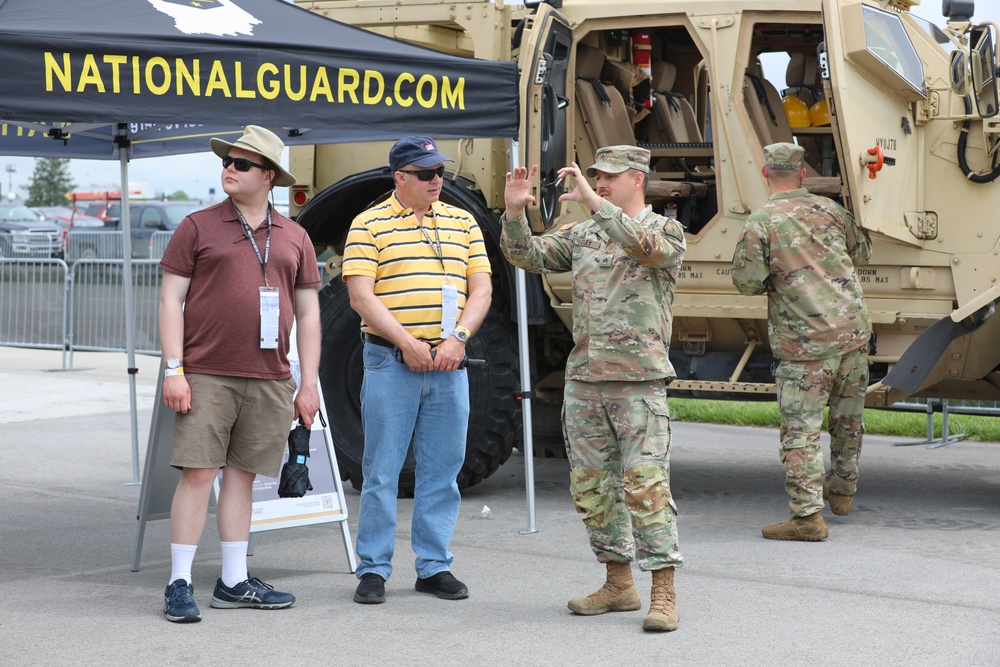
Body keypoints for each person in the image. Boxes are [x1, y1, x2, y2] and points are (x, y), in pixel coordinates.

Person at [501, 146, 686, 633]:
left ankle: (663, 591)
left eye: (608, 177)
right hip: (585, 380)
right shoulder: (583, 233)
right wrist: (515, 213)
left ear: (637, 179)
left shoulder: (664, 230)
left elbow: (644, 248)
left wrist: (595, 205)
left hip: (638, 383)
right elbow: (528, 255)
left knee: (646, 488)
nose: (598, 183)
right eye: (595, 177)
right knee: (593, 489)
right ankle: (618, 582)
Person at [158, 125, 322, 622]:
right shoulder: (197, 225)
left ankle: (232, 581)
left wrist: (308, 382)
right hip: (206, 371)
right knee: (198, 473)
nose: (230, 169)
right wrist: (173, 369)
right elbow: (170, 300)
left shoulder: (295, 235)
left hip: (272, 377)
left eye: (242, 164)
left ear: (268, 177)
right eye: (227, 161)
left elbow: (310, 313)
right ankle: (179, 582)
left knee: (243, 477)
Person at [342, 136, 492, 605]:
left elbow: (482, 290)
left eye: (439, 172)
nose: (437, 180)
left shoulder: (462, 221)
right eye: (426, 174)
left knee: (442, 471)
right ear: (399, 177)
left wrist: (457, 340)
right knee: (382, 471)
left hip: (449, 362)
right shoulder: (368, 224)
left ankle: (433, 566)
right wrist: (407, 343)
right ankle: (373, 570)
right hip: (390, 358)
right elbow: (360, 296)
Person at [731, 142, 872, 542]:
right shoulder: (830, 209)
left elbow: (745, 282)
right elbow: (861, 252)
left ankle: (807, 517)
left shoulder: (761, 222)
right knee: (848, 419)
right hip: (853, 333)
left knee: (801, 429)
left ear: (764, 173)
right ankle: (842, 492)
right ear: (803, 173)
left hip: (805, 343)